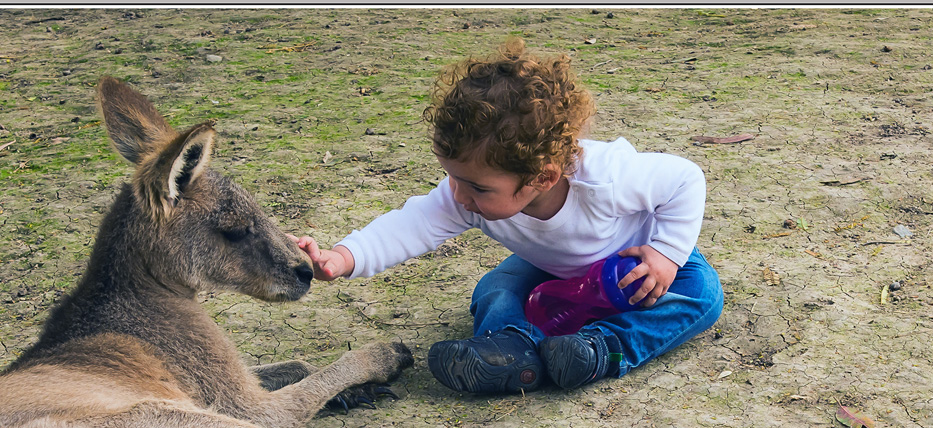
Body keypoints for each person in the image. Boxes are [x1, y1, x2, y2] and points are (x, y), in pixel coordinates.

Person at [292, 38, 724, 395]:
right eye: (452, 177)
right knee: (497, 287)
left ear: (542, 176)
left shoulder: (608, 176)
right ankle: (510, 348)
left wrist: (666, 253)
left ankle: (600, 350)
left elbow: (685, 179)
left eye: (478, 187)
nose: (458, 195)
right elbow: (411, 224)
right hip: (552, 273)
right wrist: (344, 256)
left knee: (702, 293)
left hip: (631, 272)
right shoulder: (466, 195)